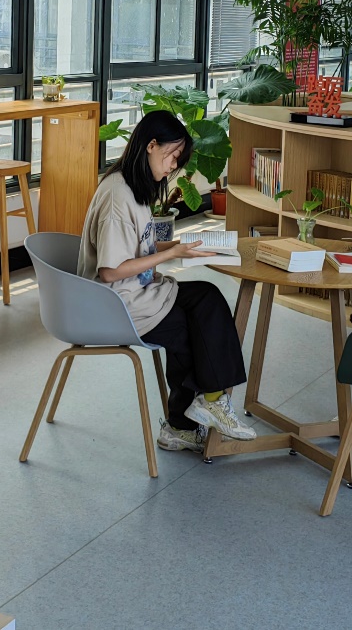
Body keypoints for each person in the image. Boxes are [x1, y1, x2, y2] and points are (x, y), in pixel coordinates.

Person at [78, 109, 257, 452]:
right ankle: (185, 422)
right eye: (173, 155)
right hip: (116, 304)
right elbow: (110, 271)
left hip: (136, 291)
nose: (174, 165)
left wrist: (176, 246)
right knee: (189, 329)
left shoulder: (131, 186)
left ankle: (210, 403)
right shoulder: (118, 197)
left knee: (206, 296)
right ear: (151, 145)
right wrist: (171, 254)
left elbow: (134, 247)